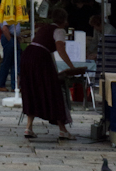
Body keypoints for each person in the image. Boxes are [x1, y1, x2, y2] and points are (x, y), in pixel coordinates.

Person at [20, 8, 76, 141]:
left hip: (28, 57)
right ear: (64, 20)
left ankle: (29, 127)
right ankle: (62, 130)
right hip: (40, 60)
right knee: (53, 91)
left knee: (31, 90)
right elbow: (61, 50)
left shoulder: (45, 28)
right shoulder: (59, 31)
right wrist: (72, 67)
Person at [0, 9, 22, 93]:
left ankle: (15, 86)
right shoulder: (9, 12)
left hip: (13, 37)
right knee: (8, 62)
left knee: (15, 62)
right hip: (9, 38)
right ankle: (1, 84)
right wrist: (10, 41)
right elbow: (4, 28)